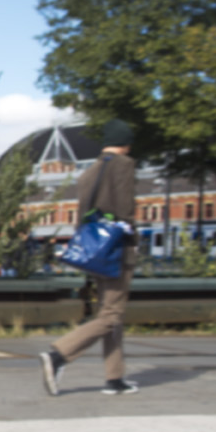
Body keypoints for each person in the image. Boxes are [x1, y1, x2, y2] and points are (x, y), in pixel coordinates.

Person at [40, 120, 140, 396]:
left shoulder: (89, 172)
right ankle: (59, 354)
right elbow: (124, 210)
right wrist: (131, 235)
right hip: (118, 249)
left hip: (94, 249)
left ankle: (114, 377)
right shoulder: (124, 165)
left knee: (108, 313)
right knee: (112, 313)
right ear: (126, 143)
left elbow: (83, 214)